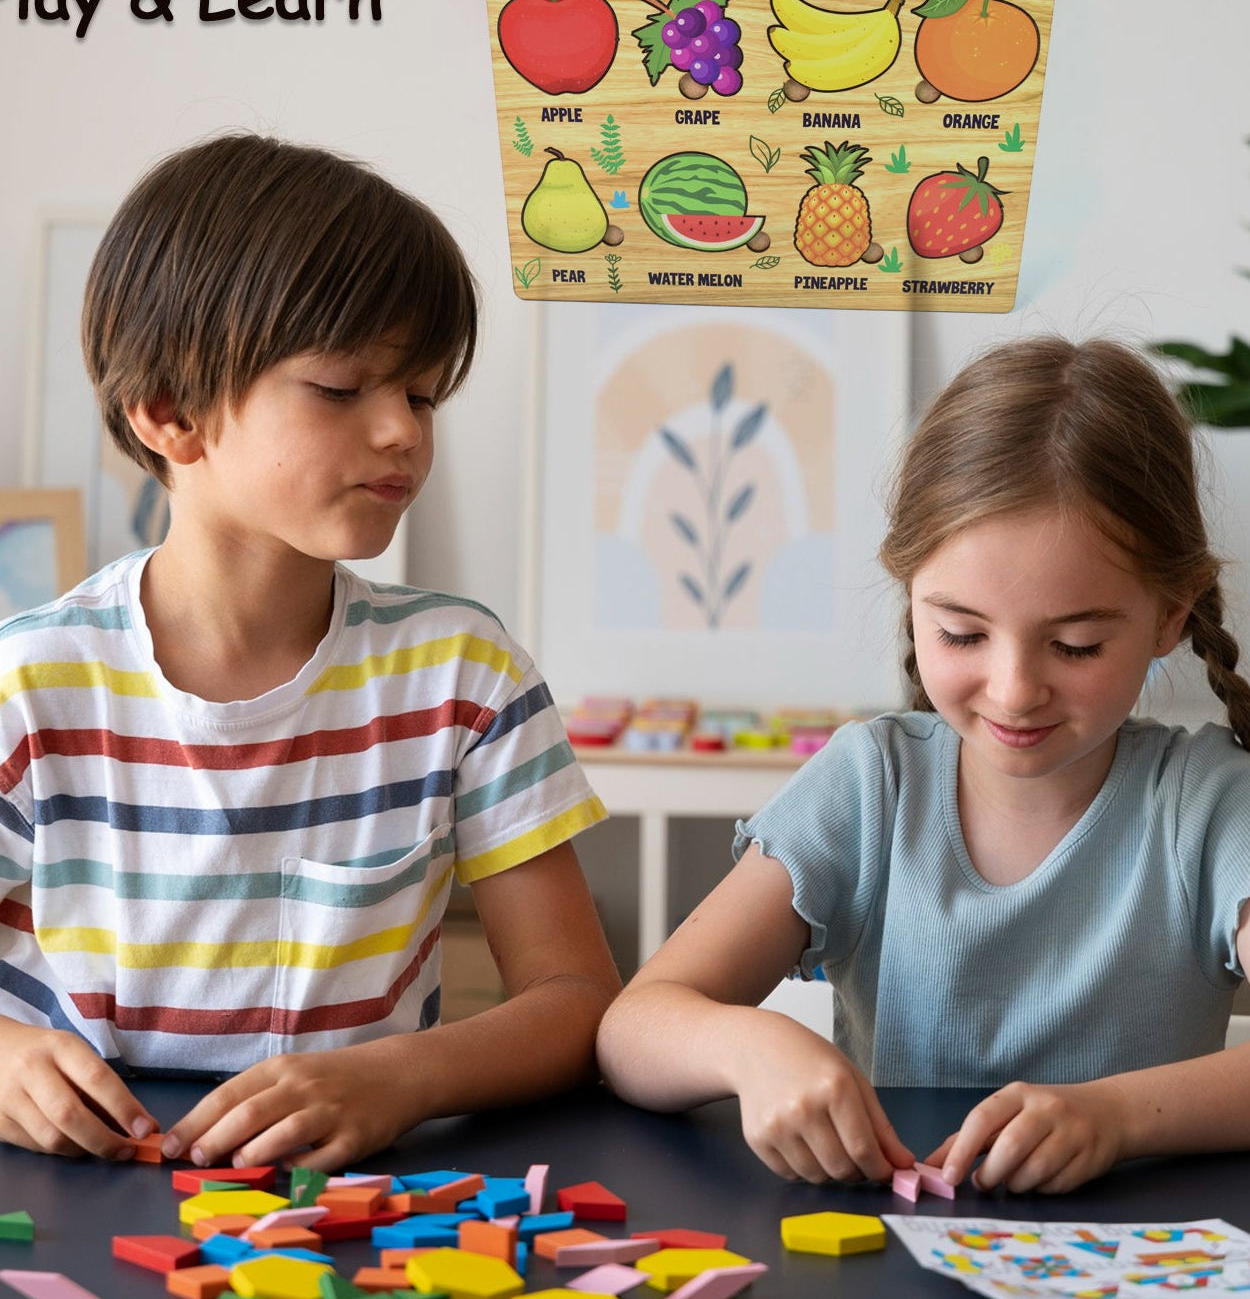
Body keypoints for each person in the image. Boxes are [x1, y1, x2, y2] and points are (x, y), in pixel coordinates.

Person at [0, 133, 620, 1170]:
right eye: (343, 389)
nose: (402, 433)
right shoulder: (29, 684)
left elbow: (576, 1001)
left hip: (355, 1214)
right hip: (73, 1203)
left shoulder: (463, 675)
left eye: (421, 395)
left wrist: (400, 1077)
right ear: (169, 414)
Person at [597, 335, 1250, 1195]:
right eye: (962, 634)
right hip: (888, 1274)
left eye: (1076, 644)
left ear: (1170, 616)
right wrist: (749, 1046)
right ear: (910, 595)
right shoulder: (868, 787)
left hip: (1143, 1278)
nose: (1015, 691)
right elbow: (631, 1029)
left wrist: (1116, 1117)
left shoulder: (1207, 805)